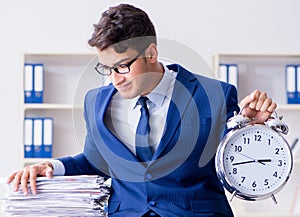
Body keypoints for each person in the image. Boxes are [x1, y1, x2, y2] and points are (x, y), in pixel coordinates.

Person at [7, 4, 276, 217]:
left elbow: (233, 170)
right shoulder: (96, 102)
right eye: (107, 68)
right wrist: (49, 166)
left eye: (123, 66)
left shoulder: (214, 95)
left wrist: (252, 133)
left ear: (151, 53)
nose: (115, 79)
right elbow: (95, 162)